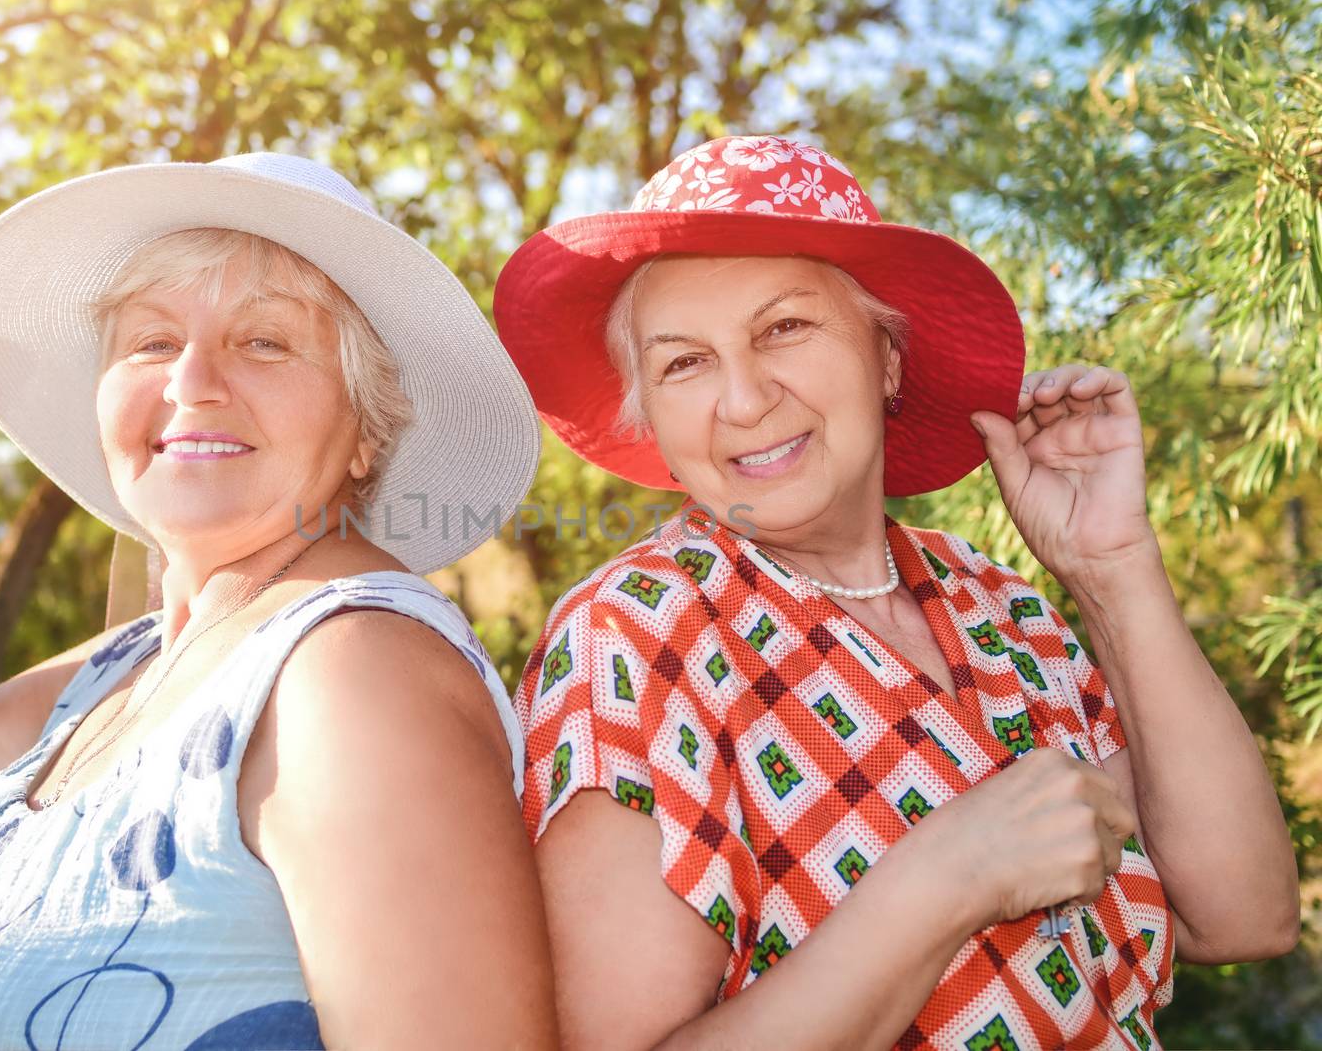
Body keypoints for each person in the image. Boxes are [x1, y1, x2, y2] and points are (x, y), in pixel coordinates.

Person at [492, 135, 1298, 1050]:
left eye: (785, 328)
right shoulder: (635, 636)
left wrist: (1111, 569)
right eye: (684, 363)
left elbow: (1242, 919)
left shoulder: (998, 606)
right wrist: (947, 881)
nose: (745, 399)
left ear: (886, 359)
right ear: (649, 409)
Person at [0, 153, 555, 1049]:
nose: (191, 382)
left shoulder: (350, 670)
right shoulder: (132, 664)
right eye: (151, 342)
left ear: (365, 434)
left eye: (264, 341)